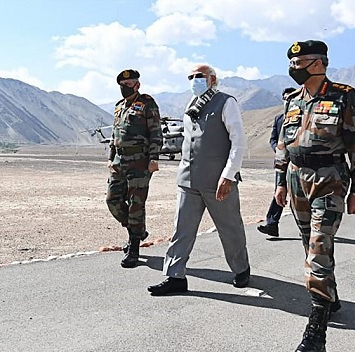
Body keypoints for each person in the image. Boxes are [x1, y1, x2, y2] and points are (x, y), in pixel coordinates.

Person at [274, 40, 355, 352]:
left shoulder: (344, 96)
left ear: (318, 63)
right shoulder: (292, 99)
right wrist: (280, 183)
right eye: (292, 63)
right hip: (297, 179)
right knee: (311, 246)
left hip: (329, 180)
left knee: (317, 251)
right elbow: (283, 145)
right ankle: (331, 296)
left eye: (299, 62)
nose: (293, 68)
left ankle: (316, 334)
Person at [147, 64, 251, 296]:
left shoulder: (226, 102)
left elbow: (238, 142)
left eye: (200, 76)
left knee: (230, 228)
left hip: (218, 181)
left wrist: (228, 176)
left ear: (212, 79)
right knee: (181, 229)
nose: (195, 80)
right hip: (188, 179)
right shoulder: (190, 105)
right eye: (191, 77)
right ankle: (175, 276)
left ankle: (241, 268)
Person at [106, 69, 163, 268]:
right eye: (123, 84)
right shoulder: (118, 107)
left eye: (130, 84)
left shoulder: (147, 103)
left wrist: (154, 158)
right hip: (119, 162)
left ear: (137, 84)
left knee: (135, 204)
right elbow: (115, 135)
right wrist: (111, 158)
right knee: (112, 200)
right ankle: (137, 230)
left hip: (139, 161)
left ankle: (134, 247)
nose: (126, 87)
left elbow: (156, 132)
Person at [257, 86, 296, 237]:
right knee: (279, 193)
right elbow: (273, 139)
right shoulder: (279, 119)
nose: (287, 100)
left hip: (298, 163)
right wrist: (278, 150)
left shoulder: (304, 115)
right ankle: (272, 224)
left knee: (300, 196)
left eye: (290, 98)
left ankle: (310, 226)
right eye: (285, 98)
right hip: (282, 164)